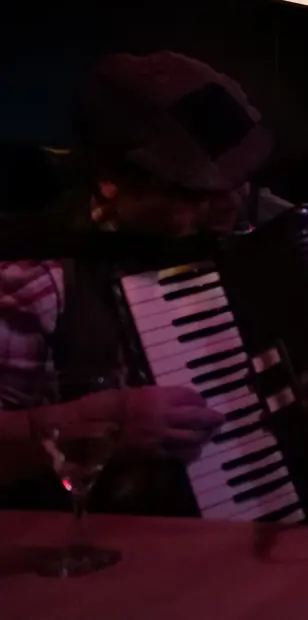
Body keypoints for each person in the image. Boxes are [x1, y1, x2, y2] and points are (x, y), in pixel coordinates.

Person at [0, 52, 276, 508]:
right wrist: (97, 424)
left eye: (240, 179)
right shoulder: (36, 279)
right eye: (197, 191)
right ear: (111, 181)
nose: (229, 203)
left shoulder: (264, 232)